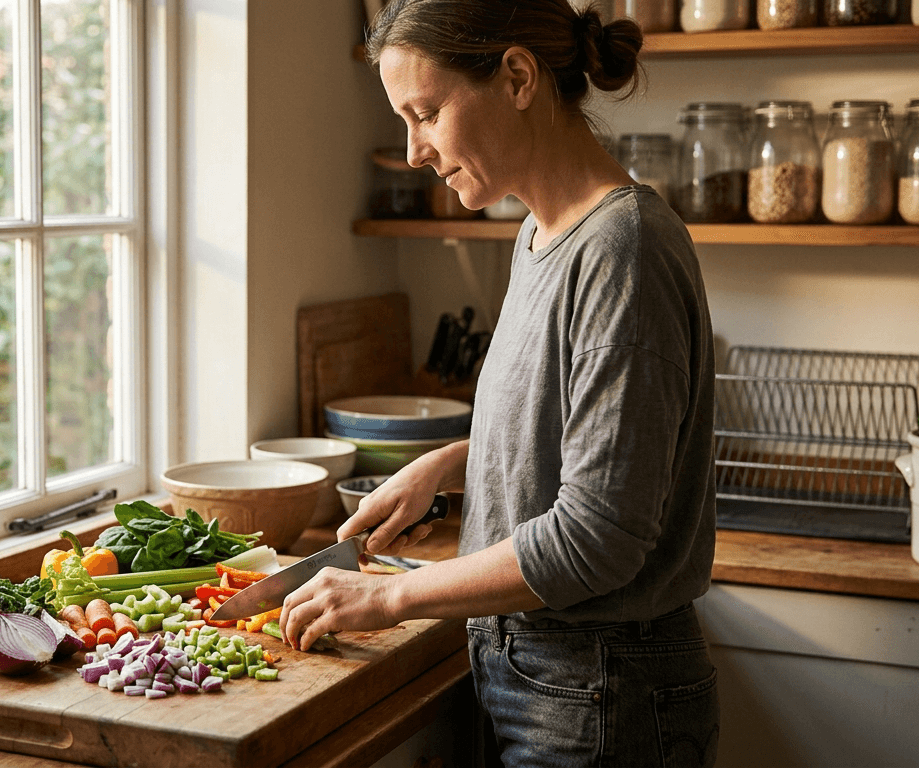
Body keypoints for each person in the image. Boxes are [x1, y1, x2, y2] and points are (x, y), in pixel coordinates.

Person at [278, 1, 720, 765]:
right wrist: (452, 463)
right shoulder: (540, 232)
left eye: (426, 114)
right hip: (547, 673)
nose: (413, 151)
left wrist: (389, 595)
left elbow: (598, 539)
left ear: (517, 77)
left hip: (600, 685)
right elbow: (572, 430)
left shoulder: (624, 250)